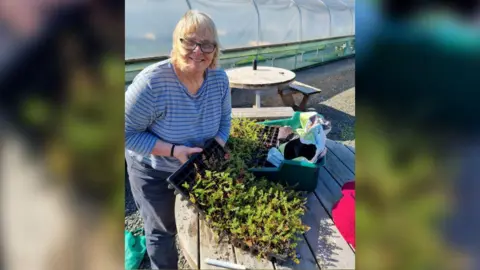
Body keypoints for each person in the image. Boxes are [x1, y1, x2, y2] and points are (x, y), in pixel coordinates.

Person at [125, 10, 232, 269]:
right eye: (189, 41)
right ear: (177, 43)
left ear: (215, 50)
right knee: (162, 230)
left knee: (197, 221)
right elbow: (126, 132)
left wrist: (216, 147)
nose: (198, 50)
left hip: (194, 167)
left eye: (207, 44)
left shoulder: (218, 80)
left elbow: (225, 121)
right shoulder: (152, 83)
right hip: (154, 169)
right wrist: (173, 151)